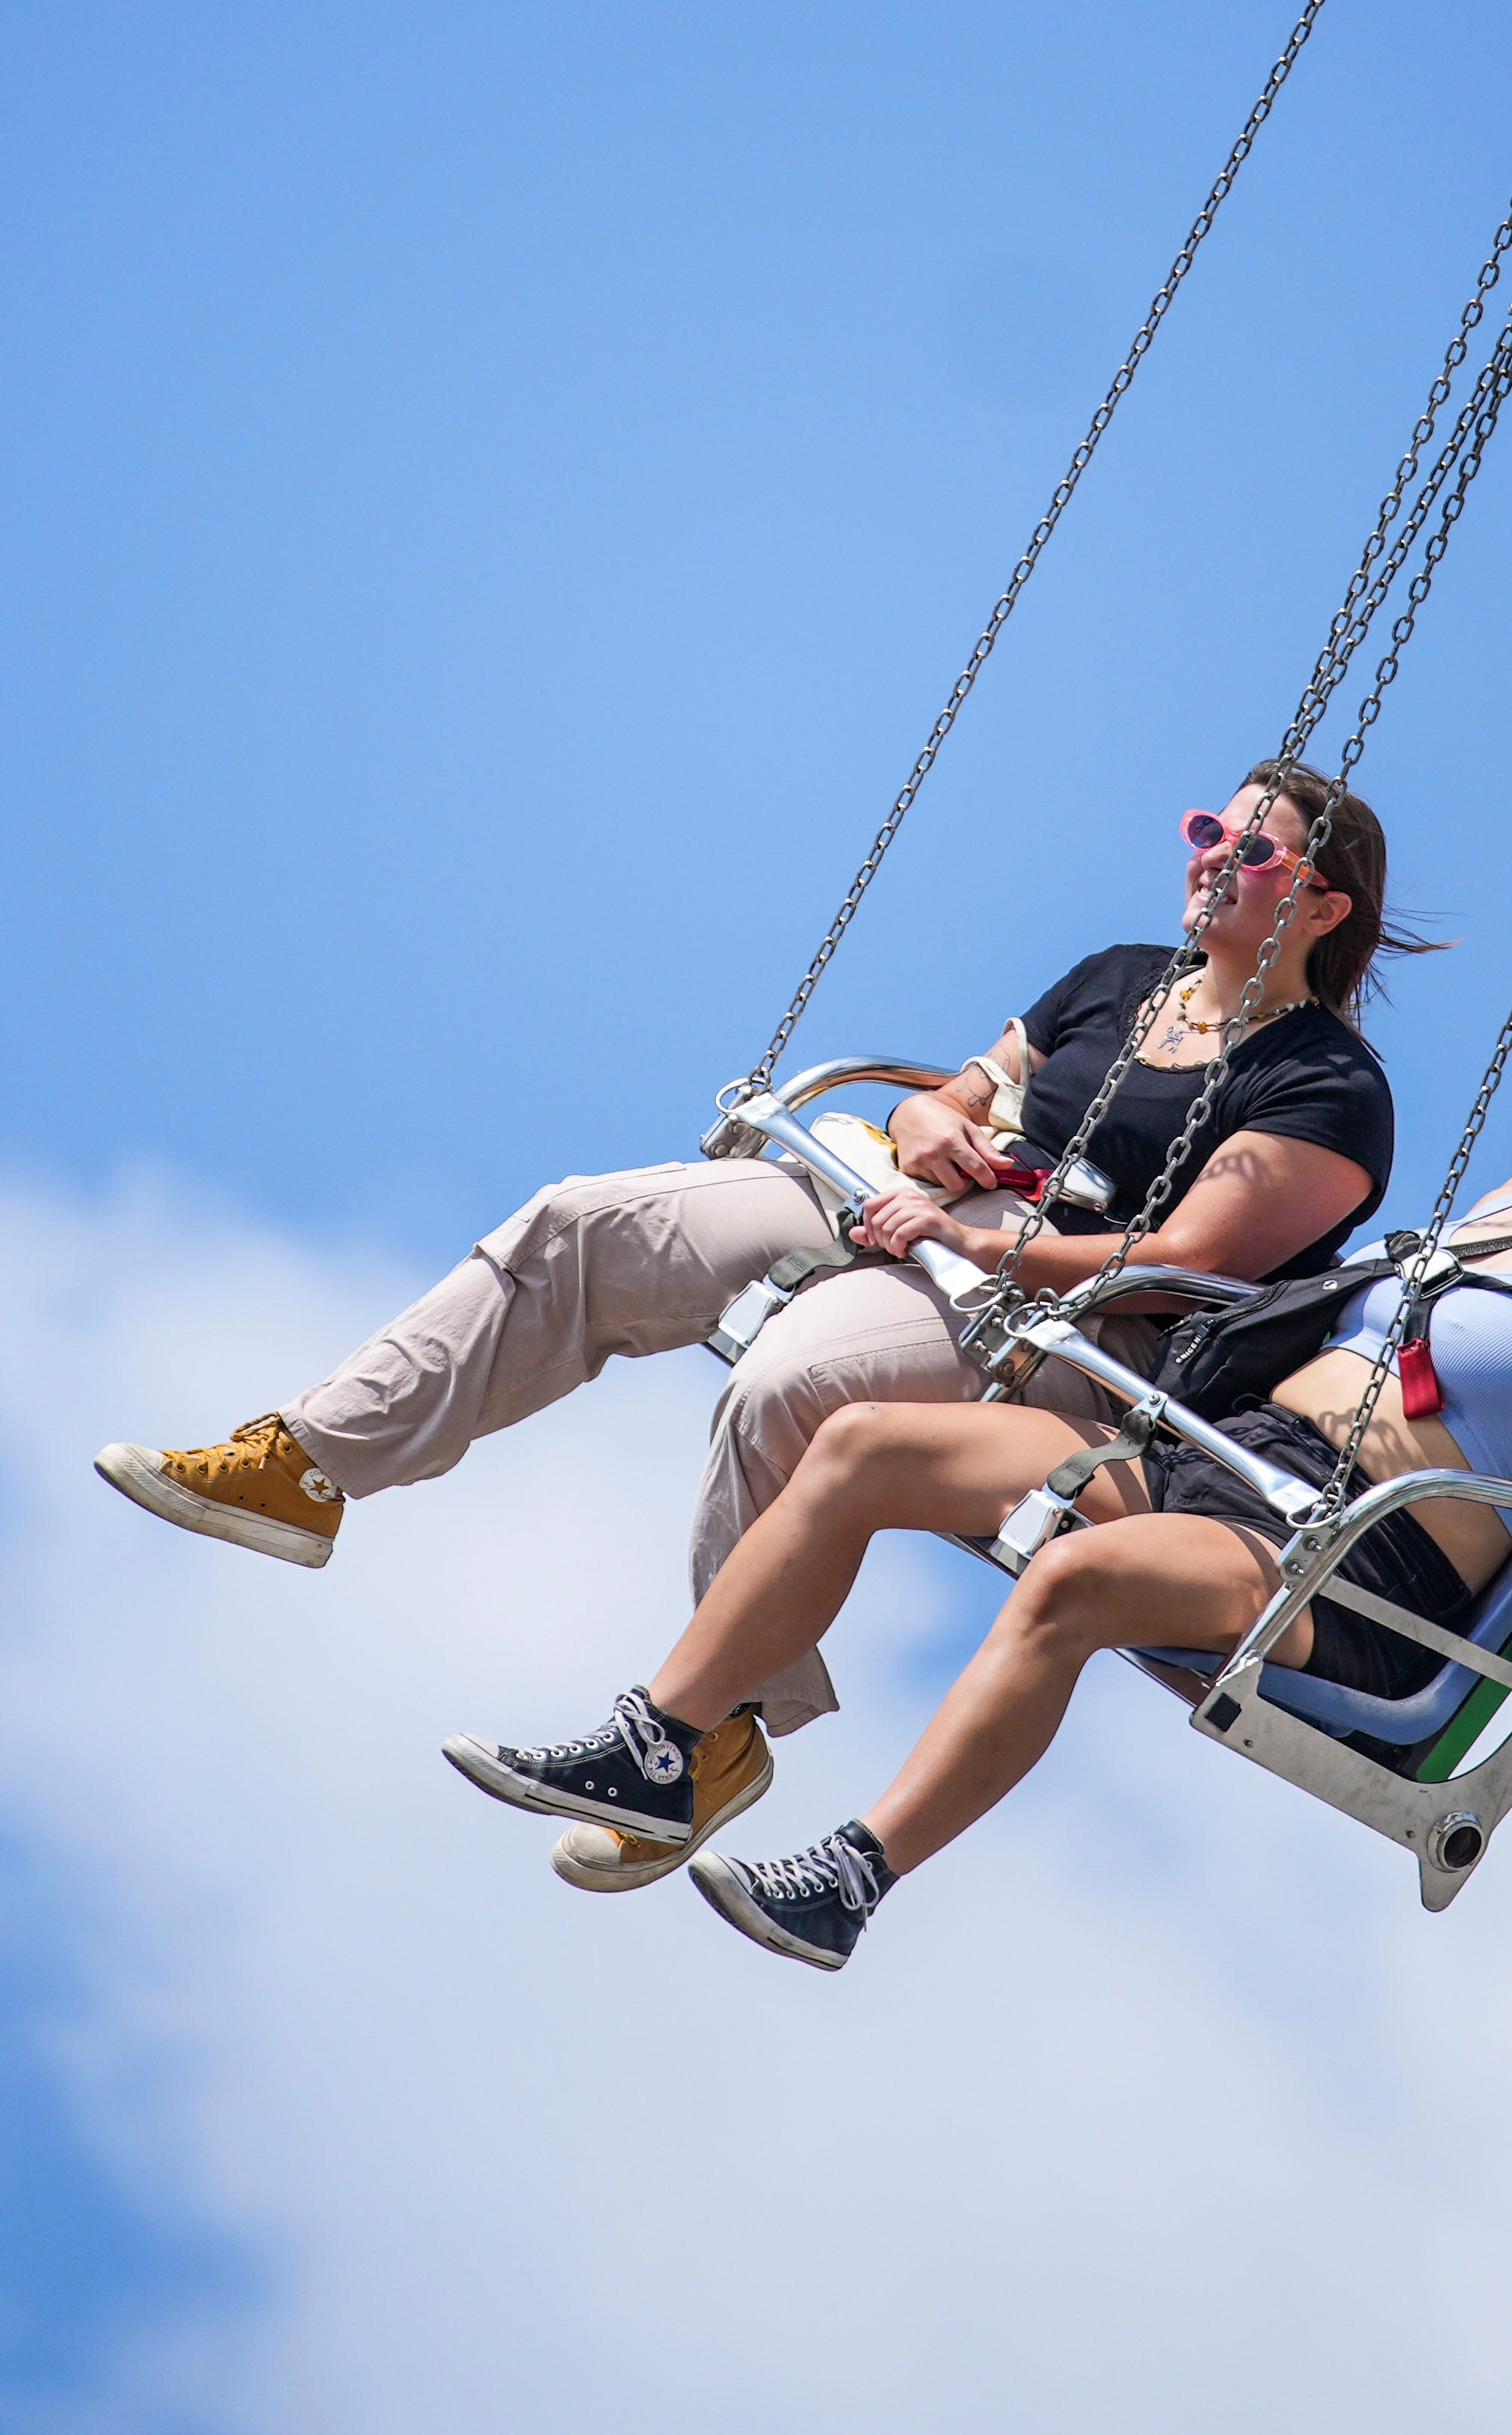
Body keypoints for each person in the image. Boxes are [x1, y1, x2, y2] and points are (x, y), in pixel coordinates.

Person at [451, 897, 1512, 1973]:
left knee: (1066, 1594)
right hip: (1203, 1457)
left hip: (1342, 1565)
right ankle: (667, 1740)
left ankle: (852, 1877)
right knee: (857, 1449)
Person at [96, 763, 1422, 1880]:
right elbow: (958, 1090)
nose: (1213, 859)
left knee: (795, 1381)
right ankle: (314, 1463)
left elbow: (1186, 1261)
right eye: (1208, 831)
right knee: (581, 1221)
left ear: (1318, 903)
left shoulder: (1326, 1083)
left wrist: (979, 1239)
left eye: (1251, 849)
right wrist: (935, 1128)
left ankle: (702, 1730)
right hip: (914, 1215)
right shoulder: (1123, 976)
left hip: (1067, 1325)